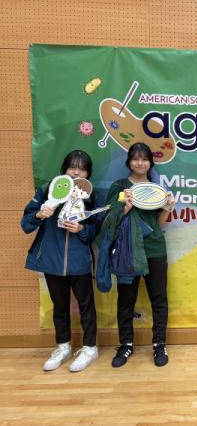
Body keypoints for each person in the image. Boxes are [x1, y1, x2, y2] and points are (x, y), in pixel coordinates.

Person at [21, 150, 99, 372]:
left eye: (82, 169)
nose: (76, 172)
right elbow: (25, 225)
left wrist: (81, 228)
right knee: (60, 306)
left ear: (88, 173)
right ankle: (63, 346)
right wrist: (39, 215)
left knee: (86, 306)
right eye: (72, 167)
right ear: (64, 169)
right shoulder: (48, 190)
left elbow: (96, 229)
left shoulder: (90, 196)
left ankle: (90, 348)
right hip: (51, 260)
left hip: (79, 261)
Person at [106, 142, 174, 368]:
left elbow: (159, 224)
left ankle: (159, 344)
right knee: (126, 300)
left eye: (144, 159)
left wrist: (168, 207)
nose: (140, 163)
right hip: (127, 251)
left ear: (150, 163)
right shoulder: (120, 187)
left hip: (154, 249)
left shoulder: (157, 190)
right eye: (136, 158)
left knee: (159, 298)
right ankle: (125, 344)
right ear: (129, 162)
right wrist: (125, 207)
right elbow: (109, 222)